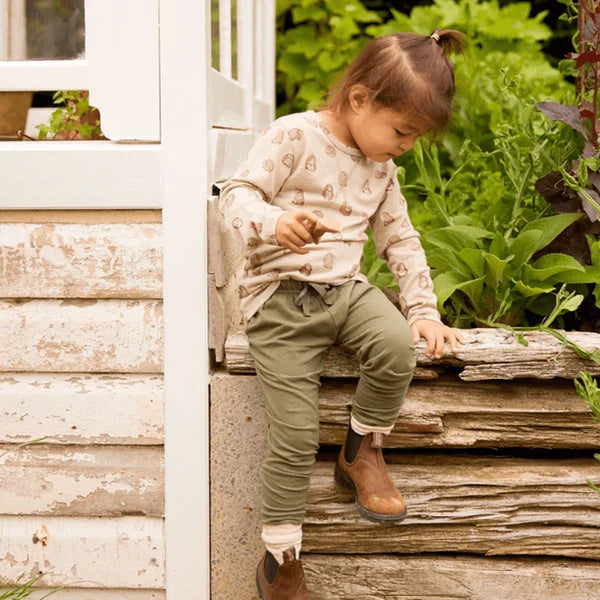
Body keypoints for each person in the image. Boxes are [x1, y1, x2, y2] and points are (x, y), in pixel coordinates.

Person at [218, 27, 467, 600]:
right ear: (359, 100)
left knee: (398, 346)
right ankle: (281, 560)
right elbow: (237, 196)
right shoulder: (294, 136)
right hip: (279, 298)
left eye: (413, 138)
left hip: (345, 291)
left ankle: (361, 448)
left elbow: (399, 239)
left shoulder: (382, 169)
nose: (405, 146)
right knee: (296, 433)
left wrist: (423, 311)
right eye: (401, 132)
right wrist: (275, 223)